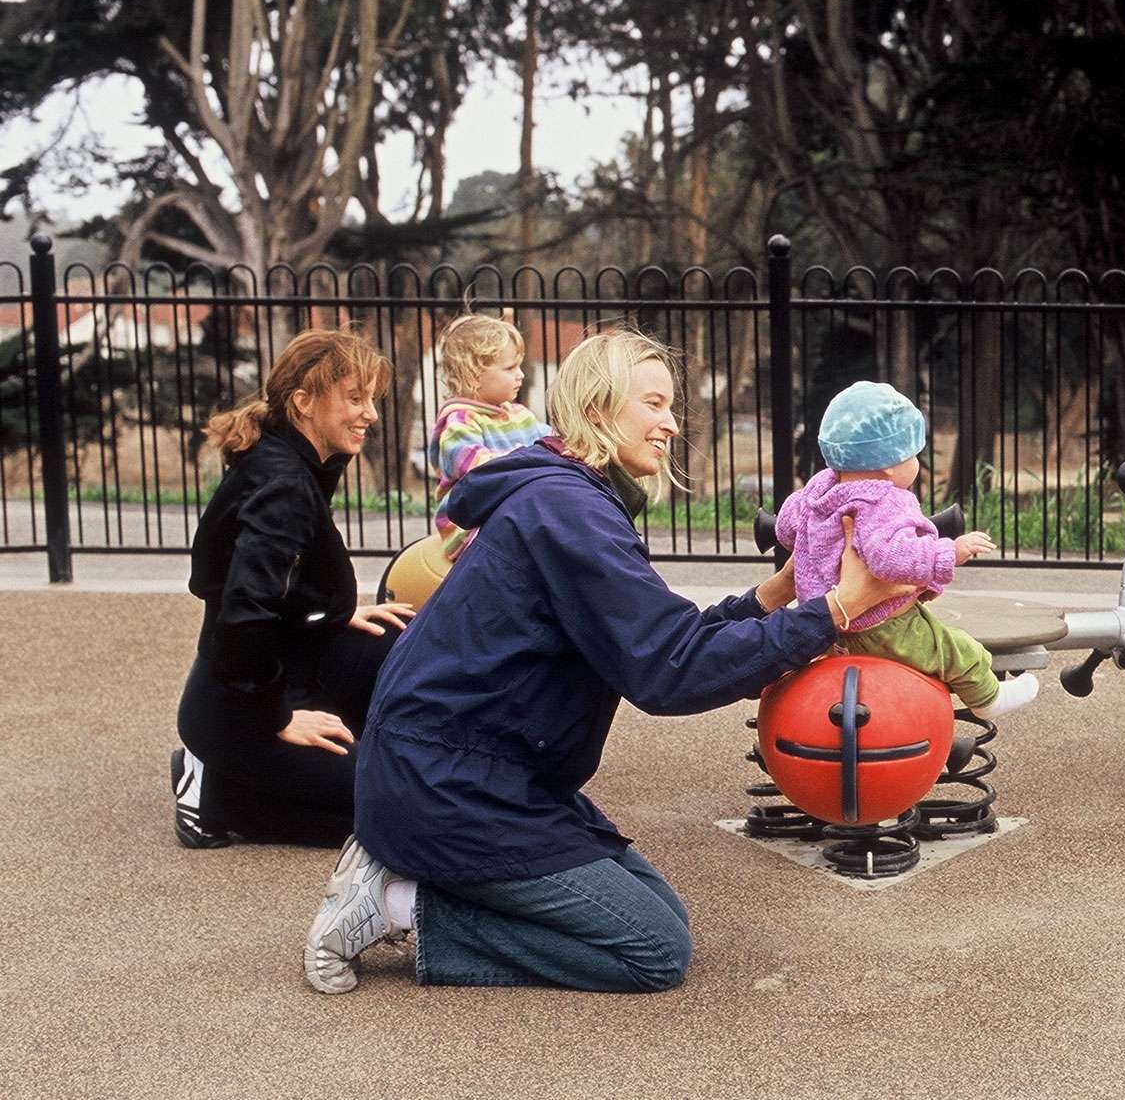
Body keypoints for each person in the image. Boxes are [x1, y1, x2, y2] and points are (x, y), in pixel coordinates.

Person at [302, 326, 916, 994]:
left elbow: (662, 637)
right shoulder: (568, 511)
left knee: (660, 912)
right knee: (653, 949)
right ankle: (393, 903)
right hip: (448, 788)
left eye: (670, 406)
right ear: (598, 408)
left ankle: (411, 875)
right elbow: (669, 671)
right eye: (653, 404)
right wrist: (831, 611)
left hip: (477, 772)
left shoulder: (569, 498)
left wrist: (774, 596)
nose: (671, 424)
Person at [171, 330, 416, 849]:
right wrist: (275, 715)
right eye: (355, 398)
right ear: (303, 403)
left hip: (273, 672)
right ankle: (217, 792)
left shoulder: (294, 460)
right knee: (399, 814)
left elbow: (254, 576)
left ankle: (329, 760)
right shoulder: (282, 480)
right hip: (242, 709)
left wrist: (329, 610)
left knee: (398, 638)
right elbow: (242, 615)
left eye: (371, 398)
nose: (370, 413)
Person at [775, 380, 1038, 717]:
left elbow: (785, 530)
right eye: (914, 454)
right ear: (889, 463)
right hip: (878, 623)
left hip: (826, 622)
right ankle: (988, 700)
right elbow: (889, 560)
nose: (916, 461)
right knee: (955, 649)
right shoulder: (883, 499)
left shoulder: (820, 491)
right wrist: (950, 552)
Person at [429, 312, 552, 560]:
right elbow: (476, 466)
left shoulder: (519, 415)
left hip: (511, 511)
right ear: (475, 375)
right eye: (510, 368)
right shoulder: (460, 422)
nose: (521, 375)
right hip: (470, 524)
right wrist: (529, 459)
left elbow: (551, 444)